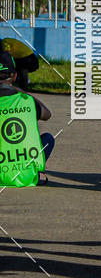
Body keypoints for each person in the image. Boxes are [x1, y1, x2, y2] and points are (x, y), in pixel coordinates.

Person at [0, 51, 54, 186]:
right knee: (48, 138)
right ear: (15, 76)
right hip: (27, 177)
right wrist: (24, 93)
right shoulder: (27, 101)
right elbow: (47, 115)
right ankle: (35, 171)